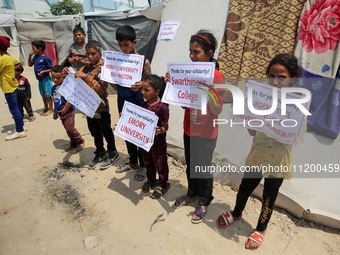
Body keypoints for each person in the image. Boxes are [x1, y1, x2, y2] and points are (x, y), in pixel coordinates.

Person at [216, 53, 302, 250]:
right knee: (245, 188)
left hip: (279, 160)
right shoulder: (261, 98)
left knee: (269, 196)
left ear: (293, 78)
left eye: (282, 77)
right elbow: (252, 131)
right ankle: (237, 212)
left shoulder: (297, 105)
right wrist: (248, 113)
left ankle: (262, 228)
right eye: (271, 76)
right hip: (258, 155)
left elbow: (294, 135)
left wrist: (277, 121)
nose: (275, 81)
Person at [171, 31, 224, 223]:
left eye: (197, 52)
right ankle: (192, 193)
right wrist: (174, 84)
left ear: (209, 53)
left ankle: (204, 200)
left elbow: (217, 110)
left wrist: (207, 89)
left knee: (203, 167)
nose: (192, 56)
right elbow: (185, 103)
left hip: (206, 131)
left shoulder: (216, 76)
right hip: (189, 127)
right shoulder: (187, 72)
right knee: (191, 163)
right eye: (190, 52)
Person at [64, 40, 119, 170]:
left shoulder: (103, 69)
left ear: (100, 53)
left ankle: (112, 151)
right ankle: (100, 152)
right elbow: (76, 84)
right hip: (88, 108)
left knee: (106, 130)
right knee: (95, 132)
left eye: (93, 54)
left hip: (101, 107)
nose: (90, 57)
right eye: (88, 54)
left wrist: (85, 77)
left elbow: (101, 89)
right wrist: (68, 73)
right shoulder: (86, 67)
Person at [113, 25, 152, 181]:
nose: (123, 48)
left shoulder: (143, 62)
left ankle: (144, 165)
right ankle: (133, 161)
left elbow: (152, 86)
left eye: (126, 44)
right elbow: (116, 86)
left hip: (137, 102)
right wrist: (107, 74)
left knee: (139, 133)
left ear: (134, 42)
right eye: (120, 44)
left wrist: (142, 85)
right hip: (122, 100)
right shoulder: (118, 60)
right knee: (127, 132)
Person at [140, 75, 170, 199]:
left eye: (147, 90)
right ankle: (151, 180)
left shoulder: (162, 108)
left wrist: (161, 130)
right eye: (142, 89)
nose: (143, 92)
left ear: (157, 92)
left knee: (160, 163)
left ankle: (162, 184)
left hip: (158, 142)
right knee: (148, 162)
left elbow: (165, 126)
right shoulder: (143, 105)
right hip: (146, 141)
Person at [51, 65, 84, 152]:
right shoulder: (53, 88)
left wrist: (65, 109)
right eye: (53, 77)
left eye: (58, 78)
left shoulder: (66, 86)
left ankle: (80, 141)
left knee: (70, 128)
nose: (55, 80)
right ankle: (73, 143)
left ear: (63, 77)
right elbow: (55, 100)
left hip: (68, 111)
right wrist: (55, 111)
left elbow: (70, 99)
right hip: (60, 112)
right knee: (67, 128)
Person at [0, 36, 27, 141]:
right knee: (16, 107)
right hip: (13, 85)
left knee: (14, 109)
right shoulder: (9, 56)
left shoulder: (3, 59)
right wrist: (12, 71)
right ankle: (21, 125)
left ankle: (20, 131)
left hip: (8, 87)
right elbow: (18, 63)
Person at [28, 40, 54, 116]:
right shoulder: (35, 57)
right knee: (43, 95)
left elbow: (51, 68)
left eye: (34, 48)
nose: (32, 50)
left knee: (48, 94)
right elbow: (30, 65)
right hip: (40, 80)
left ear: (40, 48)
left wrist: (44, 71)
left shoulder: (46, 58)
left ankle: (51, 109)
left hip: (46, 79)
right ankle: (46, 108)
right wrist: (30, 56)